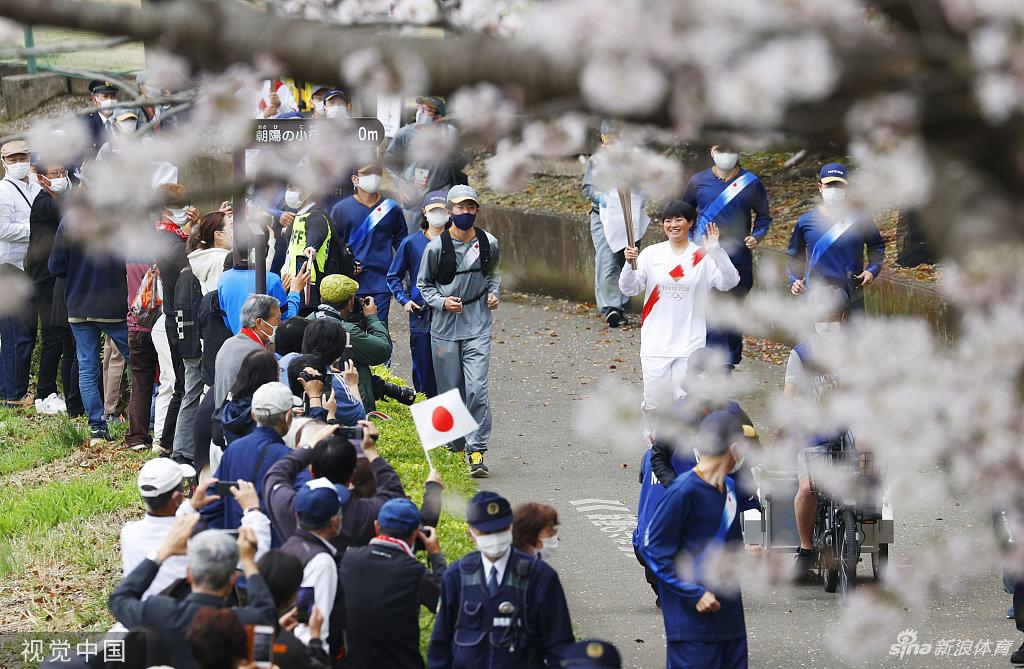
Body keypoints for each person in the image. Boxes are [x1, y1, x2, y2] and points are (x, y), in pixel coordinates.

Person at [640, 411, 750, 669]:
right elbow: (653, 550)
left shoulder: (730, 488)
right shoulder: (683, 491)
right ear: (735, 448)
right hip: (692, 626)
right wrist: (693, 594)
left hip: (731, 620)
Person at [107, 515, 277, 669]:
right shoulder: (243, 622)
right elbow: (268, 616)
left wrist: (162, 552)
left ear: (189, 574)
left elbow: (119, 599)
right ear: (232, 578)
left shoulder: (159, 613)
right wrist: (248, 562)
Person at [618, 201, 740, 416]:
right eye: (668, 220)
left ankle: (682, 449)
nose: (673, 224)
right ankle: (655, 447)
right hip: (655, 343)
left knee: (685, 405)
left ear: (690, 222)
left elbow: (729, 282)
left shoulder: (702, 256)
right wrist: (629, 264)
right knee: (655, 404)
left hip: (689, 344)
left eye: (679, 219)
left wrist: (717, 252)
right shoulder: (651, 254)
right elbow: (629, 288)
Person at [429, 491, 574, 668]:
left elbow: (560, 646)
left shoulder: (540, 577)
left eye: (500, 529)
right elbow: (440, 646)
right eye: (486, 531)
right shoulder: (456, 577)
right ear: (471, 532)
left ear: (511, 527)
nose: (494, 537)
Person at [417, 185, 501, 477]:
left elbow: (494, 275)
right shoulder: (436, 247)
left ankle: (476, 450)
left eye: (471, 208)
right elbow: (423, 284)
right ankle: (453, 446)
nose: (465, 213)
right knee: (449, 391)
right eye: (460, 208)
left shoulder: (489, 243)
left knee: (477, 388)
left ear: (477, 210)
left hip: (477, 323)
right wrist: (442, 302)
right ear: (450, 210)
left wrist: (493, 293)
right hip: (443, 329)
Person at [120, 458, 271, 599]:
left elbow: (164, 526)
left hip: (144, 614)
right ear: (177, 498)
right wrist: (253, 512)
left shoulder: (128, 533)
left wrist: (189, 507)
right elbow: (254, 558)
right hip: (188, 618)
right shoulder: (198, 540)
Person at [682, 144, 772, 369]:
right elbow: (684, 213)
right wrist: (690, 241)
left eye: (731, 150)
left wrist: (756, 237)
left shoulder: (751, 183)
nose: (726, 155)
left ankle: (730, 360)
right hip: (705, 256)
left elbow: (764, 218)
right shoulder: (697, 181)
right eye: (721, 150)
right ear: (712, 151)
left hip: (737, 258)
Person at [48, 202, 130, 445]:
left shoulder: (69, 221)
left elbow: (55, 266)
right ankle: (144, 418)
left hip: (78, 304)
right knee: (138, 360)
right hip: (112, 305)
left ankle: (97, 427)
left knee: (87, 366)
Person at [339, 497, 447, 668]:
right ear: (414, 534)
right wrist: (435, 556)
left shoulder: (349, 559)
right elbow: (446, 602)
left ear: (376, 527)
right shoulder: (415, 573)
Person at [262, 423, 407, 548]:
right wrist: (371, 452)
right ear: (353, 474)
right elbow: (394, 493)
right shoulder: (364, 513)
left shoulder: (289, 507)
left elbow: (275, 475)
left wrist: (309, 447)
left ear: (311, 471)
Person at [173, 208, 234, 464]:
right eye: (231, 227)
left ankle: (181, 450)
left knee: (191, 393)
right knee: (213, 394)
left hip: (193, 335)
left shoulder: (195, 259)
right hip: (212, 338)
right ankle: (206, 451)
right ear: (219, 235)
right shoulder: (223, 261)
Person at [201, 382, 297, 542]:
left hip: (236, 544)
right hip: (274, 550)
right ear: (288, 416)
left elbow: (214, 499)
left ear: (253, 415)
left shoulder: (233, 449)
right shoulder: (289, 458)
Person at [787, 163, 886, 313]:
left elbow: (876, 245)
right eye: (829, 185)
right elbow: (795, 255)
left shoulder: (860, 219)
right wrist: (795, 280)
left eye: (838, 185)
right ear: (820, 187)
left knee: (853, 336)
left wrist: (872, 270)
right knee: (815, 336)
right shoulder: (805, 222)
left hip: (852, 293)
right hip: (816, 295)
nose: (834, 189)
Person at [27, 160, 82, 416]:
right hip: (45, 278)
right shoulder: (44, 203)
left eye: (63, 173)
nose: (61, 177)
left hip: (57, 276)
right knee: (51, 335)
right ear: (41, 179)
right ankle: (44, 393)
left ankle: (51, 390)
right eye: (55, 174)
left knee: (59, 335)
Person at [582, 121, 648, 328]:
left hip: (630, 217)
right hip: (602, 217)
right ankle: (611, 307)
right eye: (606, 138)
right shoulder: (597, 161)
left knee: (627, 259)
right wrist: (603, 198)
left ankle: (623, 303)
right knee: (607, 261)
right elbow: (588, 188)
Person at [329, 161, 407, 328]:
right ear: (355, 179)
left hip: (381, 281)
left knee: (379, 328)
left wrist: (398, 274)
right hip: (350, 281)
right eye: (367, 173)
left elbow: (401, 243)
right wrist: (345, 264)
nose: (373, 177)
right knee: (351, 331)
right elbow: (333, 244)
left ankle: (384, 355)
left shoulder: (392, 209)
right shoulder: (341, 209)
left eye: (377, 173)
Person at [151, 183, 197, 455]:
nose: (184, 212)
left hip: (179, 316)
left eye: (185, 205)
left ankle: (168, 442)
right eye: (177, 207)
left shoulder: (177, 234)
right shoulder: (165, 238)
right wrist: (193, 234)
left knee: (182, 383)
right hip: (175, 318)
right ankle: (167, 443)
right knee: (181, 384)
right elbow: (184, 258)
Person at [387, 189, 445, 397]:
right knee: (423, 372)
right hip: (421, 316)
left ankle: (453, 423)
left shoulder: (457, 243)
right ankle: (425, 418)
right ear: (424, 212)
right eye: (434, 210)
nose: (439, 214)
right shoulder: (411, 243)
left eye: (443, 210)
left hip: (450, 317)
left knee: (449, 372)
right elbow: (393, 276)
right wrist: (404, 300)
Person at [281, 479, 350, 652]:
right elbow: (312, 626)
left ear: (297, 516)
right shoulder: (321, 562)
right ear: (335, 521)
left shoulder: (289, 545)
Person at [310, 274, 395, 413]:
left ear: (322, 298)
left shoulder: (308, 321)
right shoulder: (346, 331)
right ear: (350, 302)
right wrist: (372, 317)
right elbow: (383, 349)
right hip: (349, 402)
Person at [385, 96, 468, 233]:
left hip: (440, 194)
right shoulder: (405, 133)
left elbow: (461, 161)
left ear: (439, 116)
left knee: (439, 240)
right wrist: (399, 183)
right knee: (410, 240)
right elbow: (389, 159)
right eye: (420, 108)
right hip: (413, 197)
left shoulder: (449, 133)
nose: (421, 112)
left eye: (427, 109)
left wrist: (449, 153)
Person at [0, 140, 42, 408]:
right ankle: (14, 394)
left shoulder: (35, 185)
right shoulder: (3, 191)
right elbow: (3, 229)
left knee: (24, 330)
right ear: (4, 161)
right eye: (13, 159)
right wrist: (35, 229)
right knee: (17, 333)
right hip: (9, 266)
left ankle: (8, 390)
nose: (18, 162)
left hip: (30, 266)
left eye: (22, 157)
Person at [218, 228, 307, 334]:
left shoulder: (223, 278)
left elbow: (228, 322)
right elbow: (287, 323)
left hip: (239, 343)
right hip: (264, 348)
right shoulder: (271, 280)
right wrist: (295, 291)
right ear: (263, 249)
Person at [256, 550, 332, 669]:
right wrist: (315, 638)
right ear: (293, 596)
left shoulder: (236, 623)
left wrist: (277, 628)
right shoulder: (292, 648)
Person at [284, 181, 347, 309]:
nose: (289, 192)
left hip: (310, 287)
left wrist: (311, 247)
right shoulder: (299, 216)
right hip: (294, 283)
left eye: (293, 187)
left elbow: (315, 235)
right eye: (288, 187)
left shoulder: (318, 218)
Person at [299, 317, 366, 424]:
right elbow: (359, 419)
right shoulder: (334, 382)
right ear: (339, 352)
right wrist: (352, 385)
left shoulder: (288, 364)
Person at [216, 349, 281, 446]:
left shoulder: (231, 402)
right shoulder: (264, 411)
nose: (279, 375)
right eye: (278, 371)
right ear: (269, 376)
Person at [84, 80, 121, 151]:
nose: (110, 100)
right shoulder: (86, 123)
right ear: (95, 100)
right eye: (105, 96)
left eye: (113, 96)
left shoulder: (125, 119)